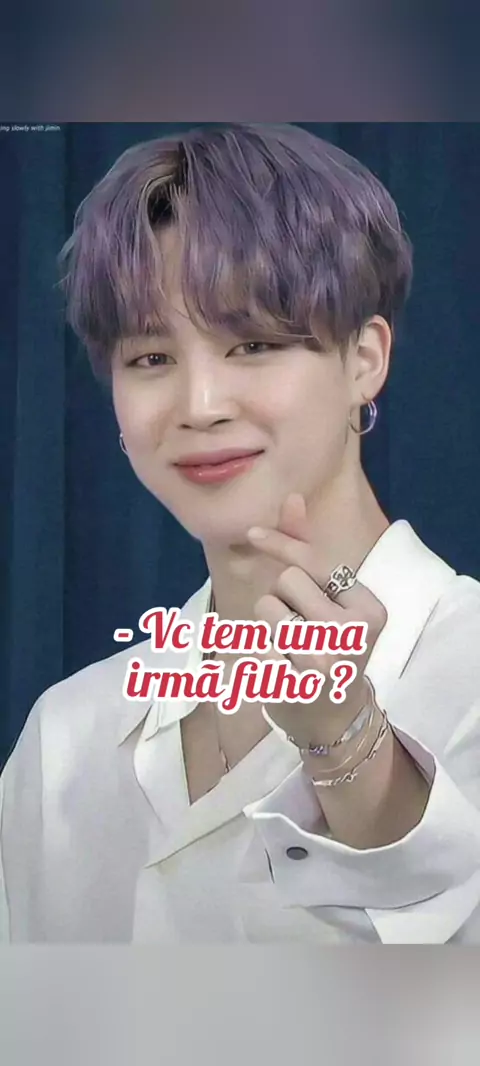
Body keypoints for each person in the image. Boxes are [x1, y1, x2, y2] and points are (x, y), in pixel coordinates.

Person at [1, 123, 480, 944]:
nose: (199, 405)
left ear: (364, 359)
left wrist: (347, 745)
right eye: (151, 358)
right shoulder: (67, 737)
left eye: (253, 343)